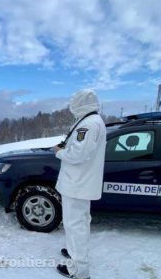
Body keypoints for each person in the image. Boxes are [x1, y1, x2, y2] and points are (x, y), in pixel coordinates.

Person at [54, 89, 106, 279]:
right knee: (79, 223)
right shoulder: (91, 120)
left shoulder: (89, 124)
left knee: (75, 224)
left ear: (81, 103)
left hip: (77, 184)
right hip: (80, 183)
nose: (71, 105)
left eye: (74, 101)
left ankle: (78, 270)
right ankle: (75, 252)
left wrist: (59, 152)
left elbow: (78, 154)